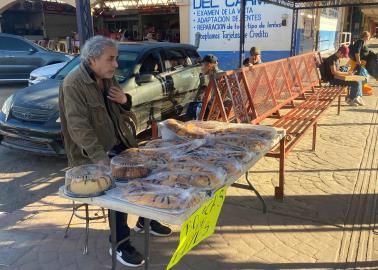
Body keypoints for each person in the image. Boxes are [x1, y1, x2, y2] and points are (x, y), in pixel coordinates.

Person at [59, 36, 171, 268]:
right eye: (111, 59)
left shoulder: (107, 78)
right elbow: (78, 127)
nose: (116, 64)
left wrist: (125, 99)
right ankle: (120, 243)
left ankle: (144, 219)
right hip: (93, 152)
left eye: (116, 59)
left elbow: (122, 104)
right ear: (92, 59)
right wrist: (100, 157)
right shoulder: (73, 84)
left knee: (150, 174)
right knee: (119, 192)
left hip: (121, 142)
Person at [186, 54, 223, 120]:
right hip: (221, 107)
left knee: (191, 108)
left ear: (209, 66)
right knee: (194, 105)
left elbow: (208, 98)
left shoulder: (213, 77)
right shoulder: (221, 74)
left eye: (202, 65)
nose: (201, 68)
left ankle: (194, 127)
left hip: (214, 110)